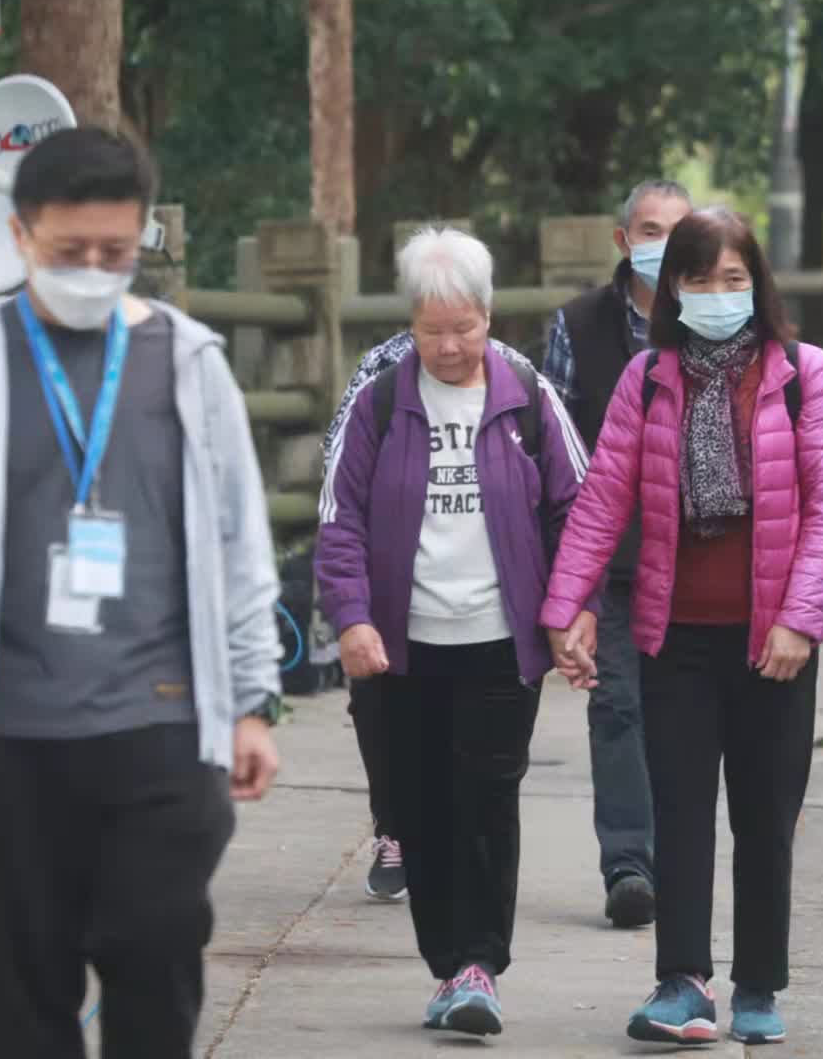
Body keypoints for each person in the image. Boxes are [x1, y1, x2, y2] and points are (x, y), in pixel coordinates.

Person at [0, 128, 284, 1059]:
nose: (94, 270)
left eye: (116, 252)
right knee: (26, 996)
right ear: (19, 235)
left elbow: (236, 537)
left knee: (155, 956)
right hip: (5, 737)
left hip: (162, 725)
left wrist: (252, 700)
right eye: (70, 252)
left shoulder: (188, 363)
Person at [539, 208, 823, 1047]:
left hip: (773, 637)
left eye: (733, 278)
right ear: (670, 288)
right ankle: (680, 981)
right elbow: (602, 498)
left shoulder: (801, 375)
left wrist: (800, 616)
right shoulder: (649, 378)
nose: (718, 294)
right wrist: (563, 606)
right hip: (673, 632)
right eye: (700, 279)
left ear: (757, 283)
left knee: (763, 814)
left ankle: (756, 986)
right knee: (678, 811)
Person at [315, 227, 592, 1038]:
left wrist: (574, 606)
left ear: (488, 314)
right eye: (432, 329)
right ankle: (447, 963)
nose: (448, 345)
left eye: (463, 327)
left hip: (500, 641)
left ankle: (477, 964)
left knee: (486, 798)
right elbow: (339, 519)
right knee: (419, 803)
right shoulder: (378, 397)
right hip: (403, 644)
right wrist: (352, 616)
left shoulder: (525, 392)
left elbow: (579, 507)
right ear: (412, 321)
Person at [541, 178, 700, 928]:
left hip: (697, 555)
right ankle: (629, 864)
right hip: (608, 554)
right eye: (647, 227)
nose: (660, 241)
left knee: (686, 711)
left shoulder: (717, 322)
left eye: (676, 228)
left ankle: (683, 857)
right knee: (616, 706)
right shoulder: (576, 326)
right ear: (621, 238)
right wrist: (566, 580)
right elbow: (556, 450)